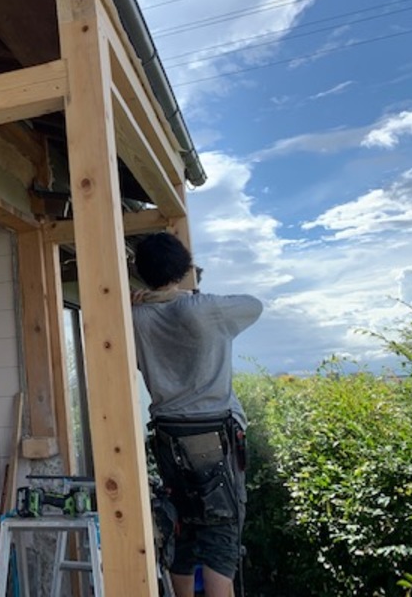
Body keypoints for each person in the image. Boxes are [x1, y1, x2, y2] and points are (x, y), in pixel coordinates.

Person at [129, 232, 262, 597]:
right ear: (185, 268)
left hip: (168, 435)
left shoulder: (137, 316)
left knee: (182, 525)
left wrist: (146, 300)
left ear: (142, 273)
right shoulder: (201, 308)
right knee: (220, 533)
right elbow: (254, 305)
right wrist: (188, 296)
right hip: (210, 436)